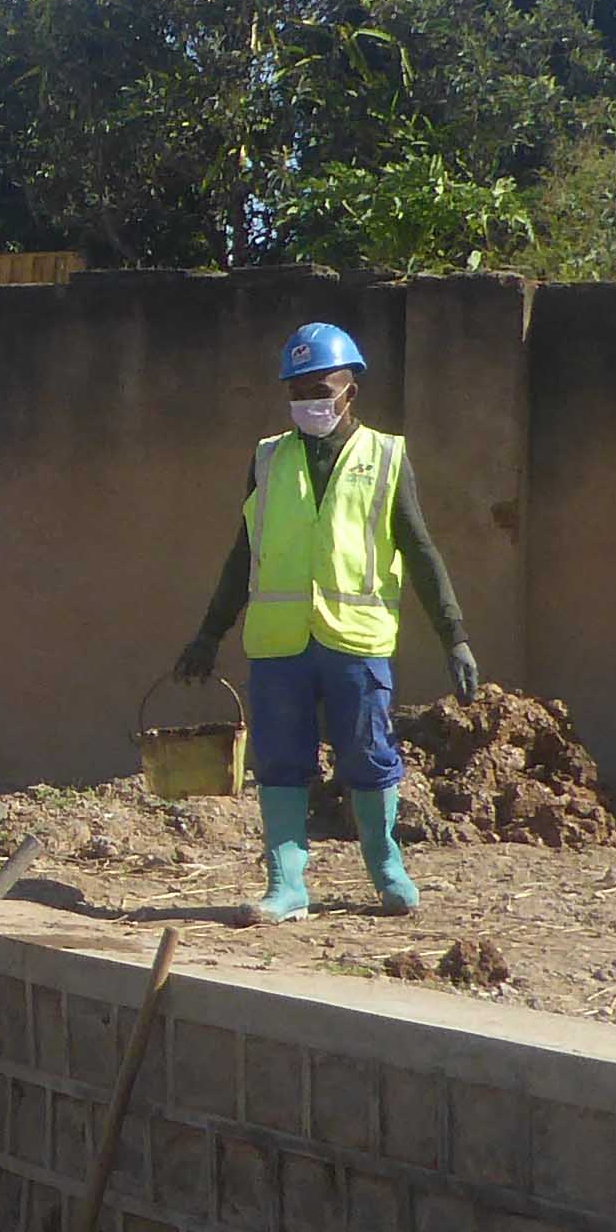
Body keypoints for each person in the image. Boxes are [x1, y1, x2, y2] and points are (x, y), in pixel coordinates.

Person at [169, 321, 479, 920]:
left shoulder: (386, 457)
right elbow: (244, 553)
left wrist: (454, 636)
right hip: (280, 644)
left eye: (321, 388)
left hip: (354, 642)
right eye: (296, 390)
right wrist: (209, 634)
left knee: (367, 755)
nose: (309, 401)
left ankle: (385, 867)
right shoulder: (267, 458)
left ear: (349, 390)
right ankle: (286, 885)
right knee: (281, 760)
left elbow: (420, 550)